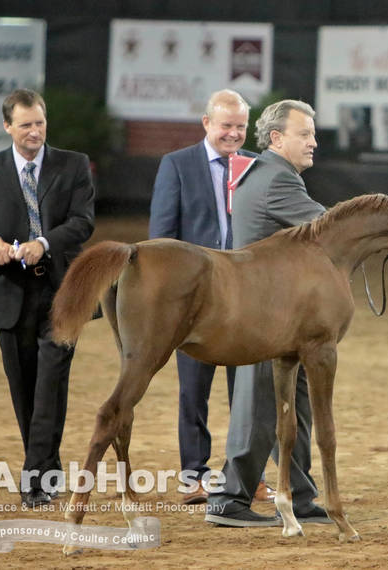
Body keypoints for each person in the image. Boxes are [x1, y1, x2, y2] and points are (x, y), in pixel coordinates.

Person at [0, 88, 95, 508]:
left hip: (61, 292)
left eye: (39, 123)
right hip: (10, 292)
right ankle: (46, 469)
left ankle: (35, 479)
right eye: (25, 125)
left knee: (50, 383)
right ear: (8, 127)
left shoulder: (73, 165)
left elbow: (83, 222)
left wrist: (44, 241)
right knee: (25, 389)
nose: (35, 131)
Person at [205, 99, 329, 528]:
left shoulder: (267, 174)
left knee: (291, 406)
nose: (314, 142)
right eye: (305, 134)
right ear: (277, 139)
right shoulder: (279, 181)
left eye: (313, 133)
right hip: (263, 317)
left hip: (275, 317)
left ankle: (300, 497)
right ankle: (227, 499)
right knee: (261, 408)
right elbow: (329, 231)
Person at [148, 89, 272, 505]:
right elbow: (162, 239)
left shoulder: (258, 166)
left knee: (250, 392)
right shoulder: (177, 165)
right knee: (192, 391)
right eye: (226, 126)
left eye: (240, 126)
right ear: (206, 124)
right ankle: (194, 475)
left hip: (249, 299)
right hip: (195, 301)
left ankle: (246, 476)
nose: (233, 134)